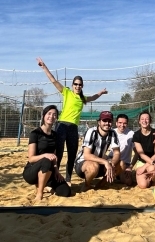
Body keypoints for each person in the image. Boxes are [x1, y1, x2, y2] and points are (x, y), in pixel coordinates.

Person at [36, 57, 108, 186]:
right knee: (57, 153)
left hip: (73, 128)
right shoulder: (67, 92)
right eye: (76, 84)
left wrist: (101, 93)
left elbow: (93, 97)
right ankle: (53, 178)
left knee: (72, 154)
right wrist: (44, 67)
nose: (77, 86)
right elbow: (53, 80)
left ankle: (68, 179)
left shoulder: (83, 98)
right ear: (72, 85)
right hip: (62, 125)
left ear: (82, 86)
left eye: (80, 84)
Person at [23, 105, 71, 200]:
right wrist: (45, 155)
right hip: (31, 171)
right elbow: (31, 159)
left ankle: (45, 185)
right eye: (49, 113)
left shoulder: (55, 135)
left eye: (54, 114)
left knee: (66, 192)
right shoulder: (35, 133)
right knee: (46, 161)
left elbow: (54, 156)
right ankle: (39, 193)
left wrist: (56, 171)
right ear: (43, 116)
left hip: (48, 170)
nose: (51, 116)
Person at [74, 111, 121, 190]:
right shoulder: (92, 132)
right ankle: (87, 185)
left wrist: (112, 164)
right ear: (99, 122)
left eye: (109, 121)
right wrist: (105, 162)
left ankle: (100, 185)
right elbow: (87, 155)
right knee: (93, 166)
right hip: (83, 165)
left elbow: (117, 153)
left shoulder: (113, 133)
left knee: (121, 164)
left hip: (100, 164)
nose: (107, 123)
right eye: (104, 120)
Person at [132, 111, 155, 189]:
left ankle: (153, 180)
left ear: (150, 121)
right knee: (143, 185)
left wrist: (145, 167)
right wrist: (143, 166)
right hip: (141, 162)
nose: (144, 121)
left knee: (152, 168)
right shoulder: (136, 135)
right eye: (142, 119)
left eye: (147, 119)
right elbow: (141, 154)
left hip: (153, 162)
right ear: (139, 121)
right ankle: (147, 179)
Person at [108, 114, 138, 186]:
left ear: (127, 124)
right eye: (120, 123)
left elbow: (137, 153)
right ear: (116, 123)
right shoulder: (111, 133)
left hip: (125, 164)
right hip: (112, 162)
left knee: (128, 182)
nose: (122, 125)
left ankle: (119, 176)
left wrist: (130, 167)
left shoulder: (131, 134)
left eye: (124, 123)